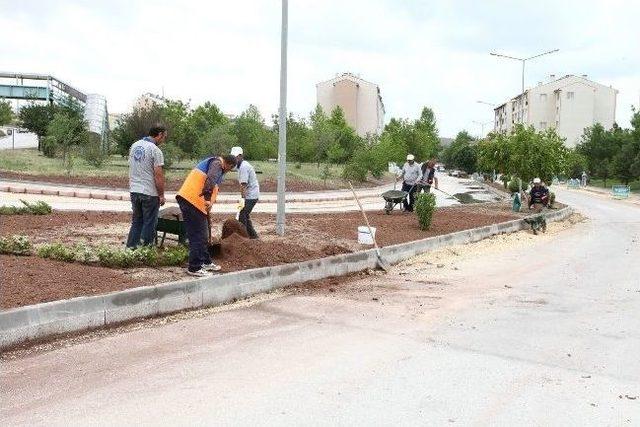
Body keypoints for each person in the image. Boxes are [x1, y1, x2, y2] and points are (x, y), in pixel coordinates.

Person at [176, 154, 237, 277]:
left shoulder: (214, 163)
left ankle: (205, 261)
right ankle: (194, 267)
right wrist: (208, 199)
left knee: (201, 235)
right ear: (229, 165)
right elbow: (211, 179)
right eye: (230, 169)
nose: (228, 172)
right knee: (199, 235)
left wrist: (209, 203)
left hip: (195, 202)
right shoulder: (217, 164)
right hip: (192, 201)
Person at [126, 125, 167, 248]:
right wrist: (161, 195)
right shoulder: (155, 150)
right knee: (149, 223)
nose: (163, 140)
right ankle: (144, 252)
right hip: (149, 192)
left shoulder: (134, 145)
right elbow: (158, 175)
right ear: (159, 135)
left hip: (134, 190)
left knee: (137, 222)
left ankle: (131, 248)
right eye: (164, 137)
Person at [230, 146, 260, 239]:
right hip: (250, 195)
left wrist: (242, 199)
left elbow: (243, 185)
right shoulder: (240, 166)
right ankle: (253, 237)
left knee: (242, 215)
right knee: (245, 215)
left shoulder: (244, 166)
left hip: (251, 195)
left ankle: (244, 237)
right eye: (233, 157)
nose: (234, 159)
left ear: (240, 156)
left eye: (236, 157)